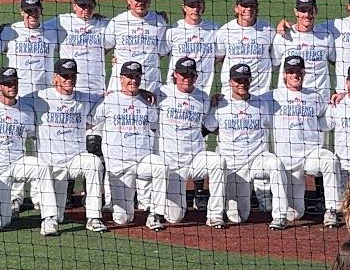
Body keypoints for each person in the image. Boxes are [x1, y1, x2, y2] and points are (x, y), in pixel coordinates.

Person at [24, 58, 106, 236]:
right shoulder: (39, 98)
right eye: (64, 76)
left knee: (94, 163)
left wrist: (143, 92)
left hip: (75, 160)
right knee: (58, 215)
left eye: (72, 76)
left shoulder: (84, 98)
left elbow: (110, 96)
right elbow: (12, 101)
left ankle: (93, 217)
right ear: (55, 78)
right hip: (50, 164)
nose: (68, 79)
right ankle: (49, 220)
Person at [0, 67, 52, 234]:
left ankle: (49, 219)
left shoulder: (27, 111)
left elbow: (32, 134)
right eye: (7, 84)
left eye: (14, 83)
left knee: (42, 167)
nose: (12, 86)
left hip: (17, 164)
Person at [149, 56, 227, 230]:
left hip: (195, 160)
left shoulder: (203, 97)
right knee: (174, 218)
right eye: (183, 74)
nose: (187, 77)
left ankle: (215, 215)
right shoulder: (161, 93)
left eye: (191, 74)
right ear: (175, 74)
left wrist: (217, 105)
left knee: (218, 162)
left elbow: (210, 125)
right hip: (170, 165)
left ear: (196, 76)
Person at [208, 63, 285, 226]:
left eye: (245, 79)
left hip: (257, 160)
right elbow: (208, 128)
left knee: (276, 164)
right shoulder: (220, 104)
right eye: (238, 80)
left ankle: (280, 216)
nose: (242, 83)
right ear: (230, 82)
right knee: (239, 217)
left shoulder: (261, 103)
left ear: (250, 80)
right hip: (233, 166)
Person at [271, 56, 343, 229]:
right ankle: (282, 214)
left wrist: (342, 98)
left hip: (312, 154)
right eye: (291, 72)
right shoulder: (272, 97)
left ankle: (332, 210)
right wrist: (219, 99)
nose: (295, 75)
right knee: (295, 214)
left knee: (330, 160)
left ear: (304, 73)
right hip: (287, 161)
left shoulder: (315, 96)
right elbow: (247, 100)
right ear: (284, 75)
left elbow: (328, 115)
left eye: (298, 72)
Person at [90, 61, 165, 227]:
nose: (134, 80)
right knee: (123, 219)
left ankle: (155, 214)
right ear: (121, 78)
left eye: (137, 77)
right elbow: (90, 121)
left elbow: (154, 126)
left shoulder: (147, 102)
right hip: (119, 166)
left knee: (160, 166)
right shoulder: (109, 100)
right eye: (130, 77)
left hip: (143, 162)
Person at [104, 0, 168, 95]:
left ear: (150, 0)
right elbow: (103, 47)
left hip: (150, 85)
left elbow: (163, 51)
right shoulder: (117, 22)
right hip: (120, 86)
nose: (140, 2)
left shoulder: (160, 21)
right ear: (128, 0)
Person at [47, 0, 109, 95]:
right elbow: (37, 29)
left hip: (97, 88)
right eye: (82, 5)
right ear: (74, 6)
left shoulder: (104, 23)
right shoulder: (61, 21)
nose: (86, 9)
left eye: (90, 5)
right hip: (69, 86)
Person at [214, 0, 276, 95]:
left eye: (252, 6)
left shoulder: (269, 30)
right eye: (245, 5)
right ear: (236, 8)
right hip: (231, 93)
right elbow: (218, 58)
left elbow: (276, 57)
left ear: (257, 8)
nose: (249, 9)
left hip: (260, 93)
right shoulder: (225, 31)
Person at [272, 0, 335, 95]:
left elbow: (336, 62)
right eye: (303, 11)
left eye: (310, 10)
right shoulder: (283, 35)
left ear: (316, 11)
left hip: (319, 99)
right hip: (287, 99)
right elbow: (273, 65)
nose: (307, 15)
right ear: (296, 12)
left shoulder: (326, 35)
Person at [0, 0, 57, 97]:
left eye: (36, 10)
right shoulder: (10, 31)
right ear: (22, 12)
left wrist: (95, 20)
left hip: (46, 92)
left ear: (41, 10)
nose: (33, 14)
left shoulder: (53, 31)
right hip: (18, 93)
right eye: (29, 11)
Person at [165, 0, 220, 93]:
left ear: (203, 7)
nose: (195, 9)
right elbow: (161, 53)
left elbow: (220, 55)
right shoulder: (173, 30)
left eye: (198, 5)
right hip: (175, 89)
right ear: (184, 8)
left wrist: (207, 63)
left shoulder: (214, 29)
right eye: (191, 5)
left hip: (203, 90)